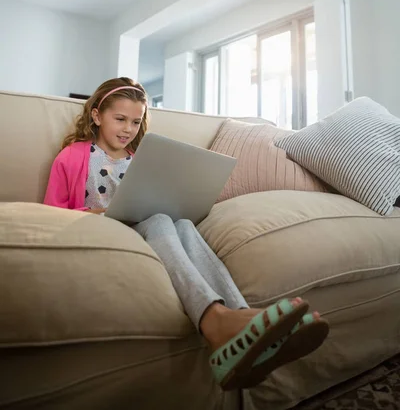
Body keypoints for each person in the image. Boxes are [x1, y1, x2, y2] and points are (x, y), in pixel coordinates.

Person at [45, 77, 329, 390]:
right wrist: (98, 213)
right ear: (97, 116)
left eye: (136, 122)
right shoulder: (71, 156)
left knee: (180, 223)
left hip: (147, 227)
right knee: (159, 222)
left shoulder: (141, 159)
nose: (128, 129)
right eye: (120, 119)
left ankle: (246, 324)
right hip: (106, 232)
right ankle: (220, 323)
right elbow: (50, 214)